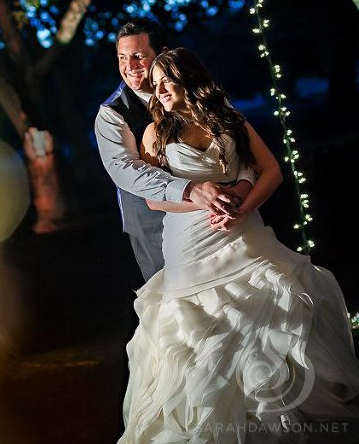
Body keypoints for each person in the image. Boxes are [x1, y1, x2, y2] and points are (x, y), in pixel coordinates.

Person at [119, 47, 359, 442]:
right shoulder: (155, 133)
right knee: (202, 337)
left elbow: (272, 171)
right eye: (155, 83)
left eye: (167, 80)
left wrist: (241, 208)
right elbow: (154, 199)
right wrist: (204, 199)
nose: (158, 90)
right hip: (190, 245)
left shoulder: (229, 120)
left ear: (189, 79)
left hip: (244, 232)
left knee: (278, 308)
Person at [95, 19, 256, 282]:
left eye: (138, 56)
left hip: (228, 214)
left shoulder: (203, 96)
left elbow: (238, 145)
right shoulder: (112, 113)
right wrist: (191, 190)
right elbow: (125, 170)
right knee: (175, 298)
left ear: (162, 53)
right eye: (122, 57)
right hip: (153, 224)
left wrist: (242, 186)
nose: (129, 66)